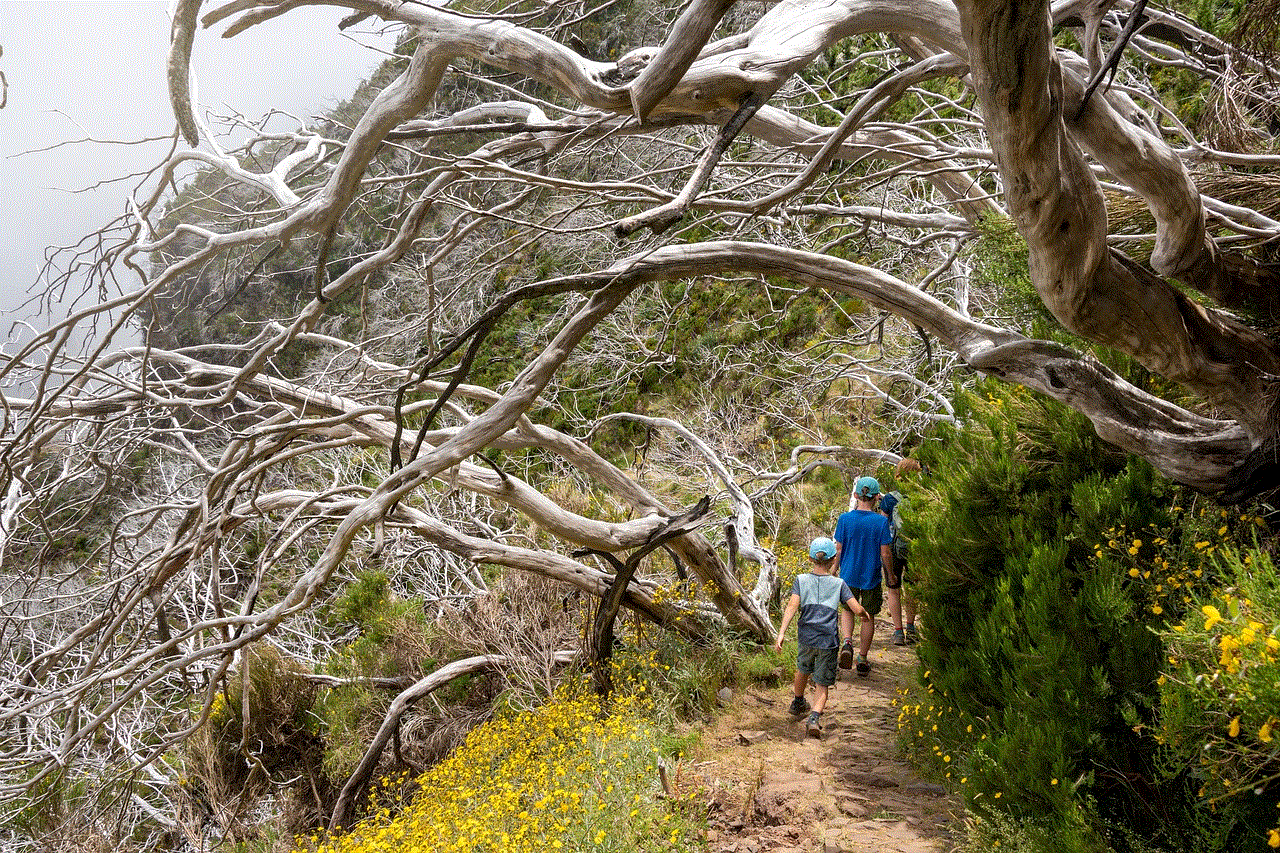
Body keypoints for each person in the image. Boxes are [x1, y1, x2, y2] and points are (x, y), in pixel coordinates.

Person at [773, 536, 869, 738]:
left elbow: (792, 606)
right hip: (828, 640)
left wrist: (781, 633)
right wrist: (864, 614)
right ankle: (814, 718)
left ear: (810, 559)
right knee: (822, 682)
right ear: (834, 560)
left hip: (806, 637)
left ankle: (798, 701)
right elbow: (855, 608)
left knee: (802, 669)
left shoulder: (801, 580)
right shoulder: (839, 584)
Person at [833, 476, 894, 676]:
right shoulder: (880, 522)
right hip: (871, 577)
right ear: (877, 497)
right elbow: (885, 553)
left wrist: (833, 571)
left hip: (848, 576)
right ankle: (862, 658)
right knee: (868, 617)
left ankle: (848, 642)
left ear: (856, 495)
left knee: (848, 611)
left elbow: (839, 549)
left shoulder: (844, 519)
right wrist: (890, 575)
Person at [880, 457, 921, 645]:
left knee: (893, 589)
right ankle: (911, 627)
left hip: (893, 549)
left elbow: (883, 524)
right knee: (912, 588)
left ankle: (898, 631)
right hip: (915, 548)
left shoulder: (889, 498)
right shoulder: (921, 495)